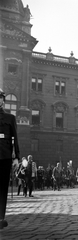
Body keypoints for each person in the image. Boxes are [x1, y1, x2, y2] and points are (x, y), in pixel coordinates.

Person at [0, 88, 20, 229]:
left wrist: (16, 158)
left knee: (2, 187)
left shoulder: (10, 118)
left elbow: (15, 138)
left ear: (2, 101)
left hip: (5, 155)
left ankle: (1, 218)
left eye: (0, 98)